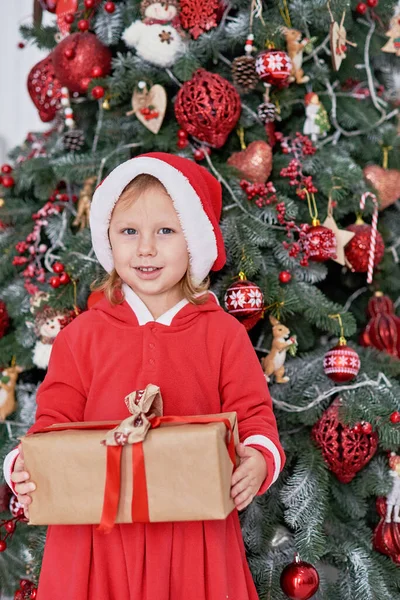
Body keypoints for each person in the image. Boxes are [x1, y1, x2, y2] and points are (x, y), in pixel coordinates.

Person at [4, 152, 285, 600]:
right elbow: (51, 422)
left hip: (194, 534)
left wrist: (257, 459)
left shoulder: (223, 334)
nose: (146, 248)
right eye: (129, 231)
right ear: (109, 240)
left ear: (193, 239)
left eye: (166, 231)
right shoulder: (81, 336)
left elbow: (253, 415)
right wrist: (24, 465)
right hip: (96, 532)